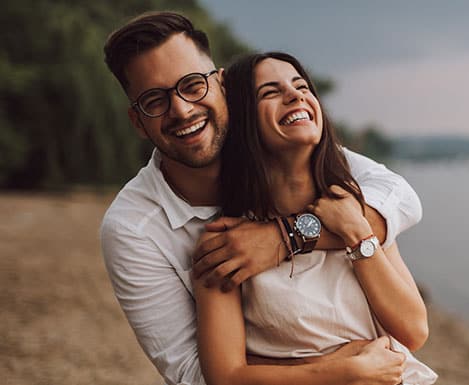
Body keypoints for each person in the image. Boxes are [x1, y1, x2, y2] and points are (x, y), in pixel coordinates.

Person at [100, 11, 422, 385]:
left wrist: (288, 237)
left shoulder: (308, 165)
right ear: (137, 121)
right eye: (154, 100)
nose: (182, 109)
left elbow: (401, 199)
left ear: (221, 84)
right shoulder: (139, 230)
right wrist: (337, 370)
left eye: (192, 85)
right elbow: (198, 375)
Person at [193, 52, 437, 385]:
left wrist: (356, 233)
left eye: (301, 86)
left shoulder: (356, 210)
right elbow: (226, 377)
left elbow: (413, 331)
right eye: (270, 92)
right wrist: (347, 370)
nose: (296, 95)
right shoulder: (227, 242)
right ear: (243, 119)